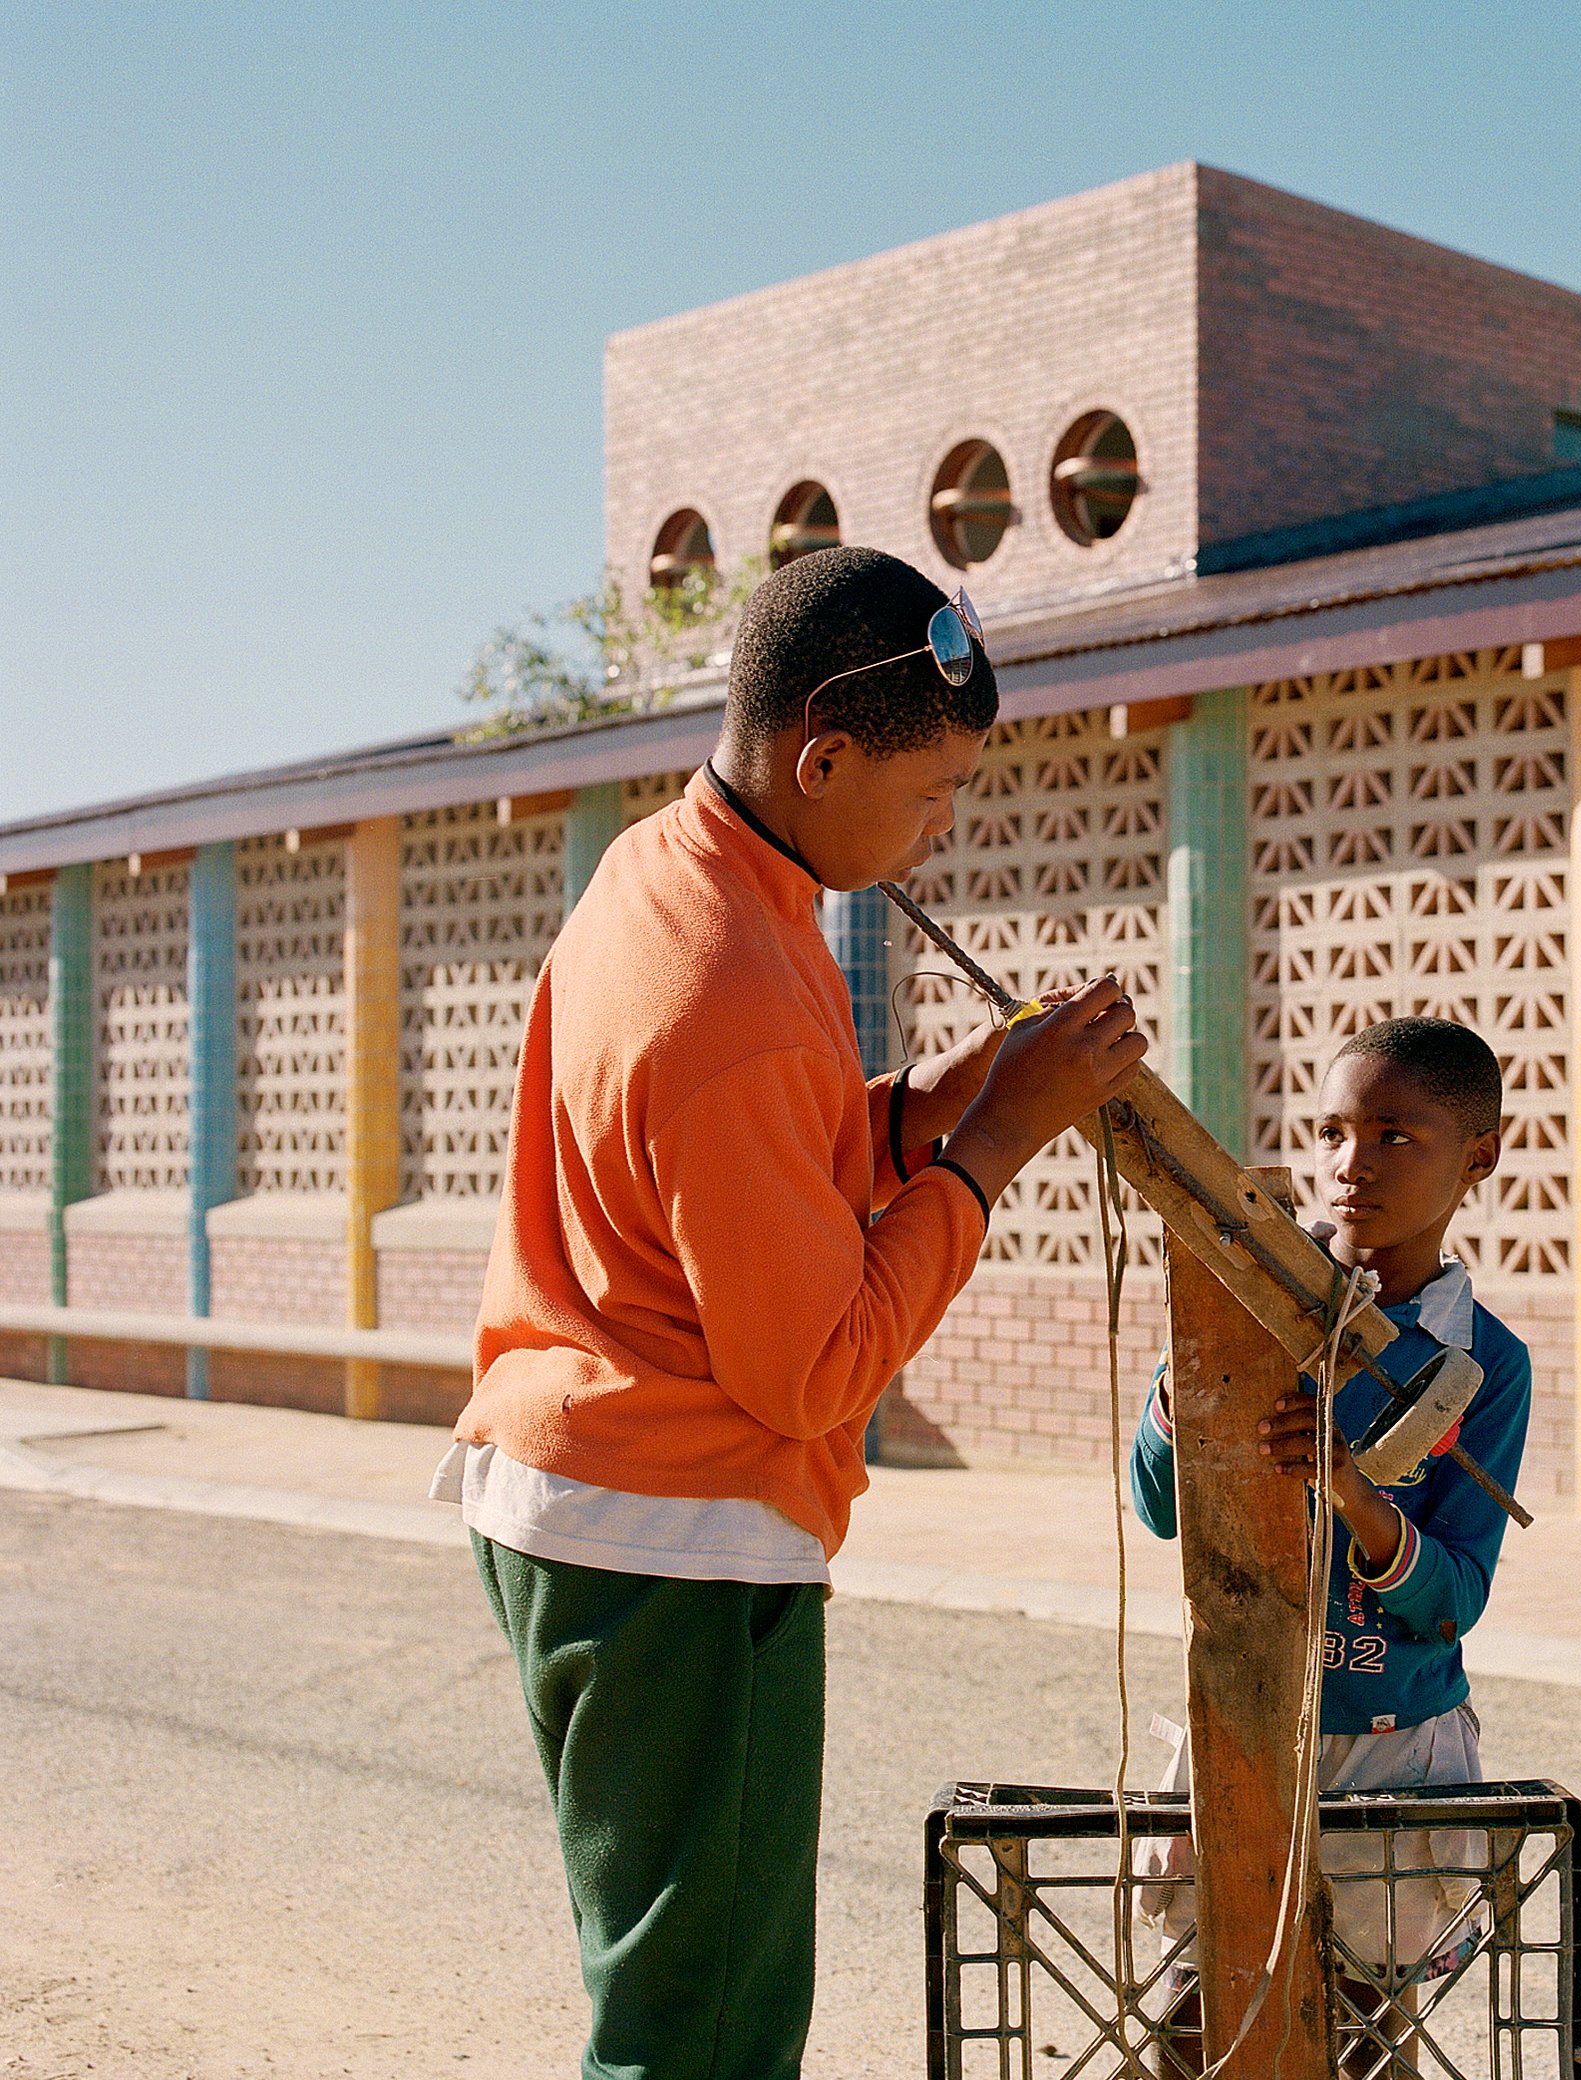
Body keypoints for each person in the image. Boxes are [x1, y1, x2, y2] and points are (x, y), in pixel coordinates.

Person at [431, 545, 1148, 2080]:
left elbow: (760, 1172)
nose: (942, 826)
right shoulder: (737, 990)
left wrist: (938, 1102)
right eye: (934, 789)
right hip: (672, 1537)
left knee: (667, 1984)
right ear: (820, 753)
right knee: (704, 2032)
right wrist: (997, 1148)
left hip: (581, 1494)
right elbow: (815, 1367)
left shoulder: (680, 870)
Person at [1127, 1015, 1534, 2073]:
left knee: (1354, 2037)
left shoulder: (1483, 1363)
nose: (1352, 1165)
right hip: (1241, 1709)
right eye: (1335, 1131)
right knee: (1197, 2027)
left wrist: (1351, 1490)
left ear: (1477, 1157)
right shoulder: (1253, 1288)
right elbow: (1158, 1504)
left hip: (1394, 1740)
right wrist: (1193, 1366)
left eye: (1396, 1135)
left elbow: (1451, 1599)